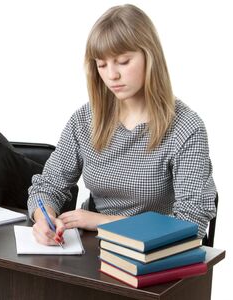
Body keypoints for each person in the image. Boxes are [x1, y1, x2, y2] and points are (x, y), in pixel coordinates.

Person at [27, 4, 217, 246]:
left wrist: (102, 221)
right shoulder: (85, 119)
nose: (111, 75)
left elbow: (192, 222)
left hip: (155, 252)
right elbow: (49, 185)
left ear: (150, 58)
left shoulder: (186, 128)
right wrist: (44, 217)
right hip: (93, 247)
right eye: (102, 64)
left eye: (123, 61)